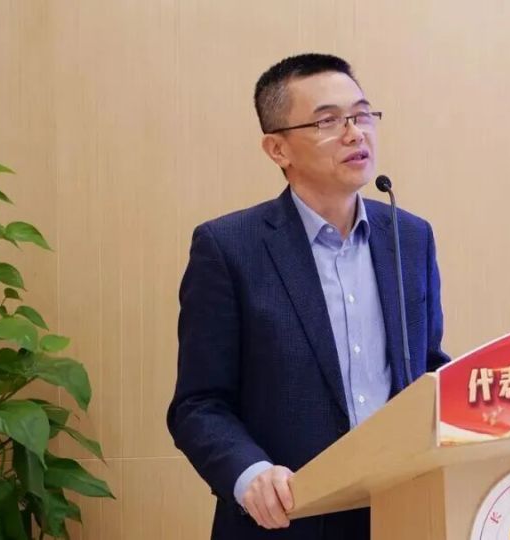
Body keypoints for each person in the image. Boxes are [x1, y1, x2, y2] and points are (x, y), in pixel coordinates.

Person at [167, 53, 450, 540]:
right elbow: (198, 404)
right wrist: (251, 475)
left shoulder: (410, 237)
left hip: (399, 512)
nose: (355, 133)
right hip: (287, 519)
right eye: (328, 121)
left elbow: (427, 367)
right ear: (278, 149)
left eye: (362, 115)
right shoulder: (229, 248)